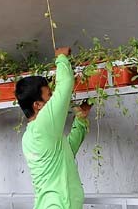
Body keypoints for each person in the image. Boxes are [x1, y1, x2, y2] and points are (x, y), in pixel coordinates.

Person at [15, 46, 92, 209]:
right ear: (37, 105)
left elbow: (67, 152)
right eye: (49, 95)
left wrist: (80, 120)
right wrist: (61, 58)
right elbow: (65, 85)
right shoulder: (42, 125)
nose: (54, 98)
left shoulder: (32, 135)